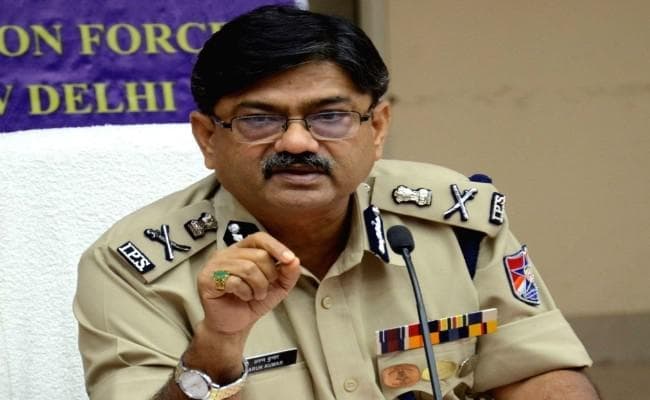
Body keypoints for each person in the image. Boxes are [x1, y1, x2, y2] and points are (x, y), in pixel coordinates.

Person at [73, 5, 600, 400]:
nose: (297, 142)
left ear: (378, 128)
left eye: (329, 116)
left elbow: (538, 372)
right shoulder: (134, 270)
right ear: (208, 138)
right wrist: (216, 346)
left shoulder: (457, 224)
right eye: (259, 119)